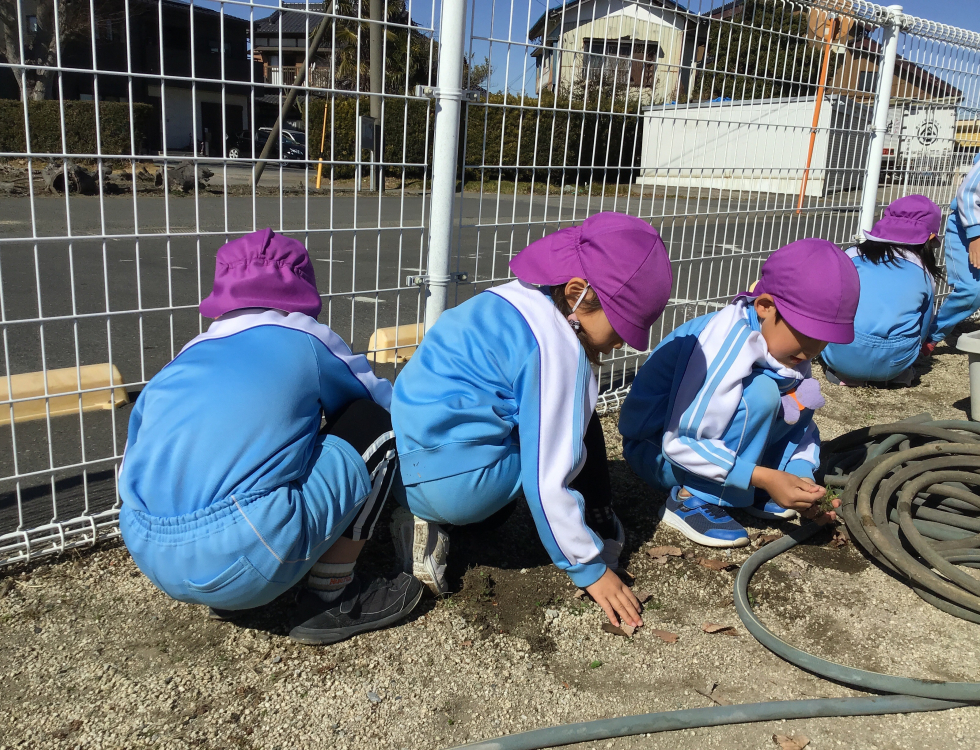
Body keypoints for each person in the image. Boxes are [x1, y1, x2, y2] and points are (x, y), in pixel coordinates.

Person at [118, 228, 422, 645]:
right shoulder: (304, 336)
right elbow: (382, 407)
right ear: (303, 286)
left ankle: (227, 589)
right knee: (374, 428)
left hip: (148, 549)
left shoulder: (186, 355)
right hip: (250, 548)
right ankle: (333, 597)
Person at [389, 212, 673, 628]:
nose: (621, 344)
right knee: (573, 424)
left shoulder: (503, 299)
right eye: (622, 327)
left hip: (403, 470)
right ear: (577, 294)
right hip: (466, 488)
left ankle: (425, 521)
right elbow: (546, 476)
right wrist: (589, 567)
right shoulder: (556, 347)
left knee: (513, 437)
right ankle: (595, 519)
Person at [619, 239, 858, 548]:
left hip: (711, 449)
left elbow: (799, 418)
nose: (813, 349)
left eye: (825, 340)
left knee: (802, 396)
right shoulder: (725, 344)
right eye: (807, 333)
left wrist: (800, 477)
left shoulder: (791, 350)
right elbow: (681, 441)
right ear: (766, 307)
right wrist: (765, 478)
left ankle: (747, 489)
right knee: (761, 393)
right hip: (657, 450)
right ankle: (691, 498)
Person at [820, 194, 942, 387]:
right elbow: (924, 326)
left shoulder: (852, 255)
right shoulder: (924, 272)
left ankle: (843, 372)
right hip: (896, 362)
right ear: (930, 238)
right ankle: (894, 375)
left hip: (843, 353)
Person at [925, 154, 980, 351]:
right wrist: (975, 235)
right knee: (971, 290)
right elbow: (967, 194)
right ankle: (931, 335)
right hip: (968, 231)